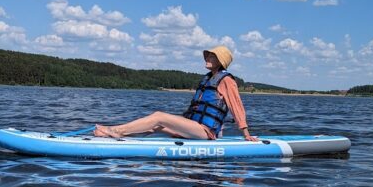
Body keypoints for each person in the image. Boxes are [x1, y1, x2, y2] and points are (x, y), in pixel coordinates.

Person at [94, 45, 259, 141]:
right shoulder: (209, 78)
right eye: (208, 55)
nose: (207, 57)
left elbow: (237, 107)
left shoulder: (227, 80)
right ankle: (115, 133)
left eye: (212, 56)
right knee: (157, 125)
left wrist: (246, 134)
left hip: (205, 131)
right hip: (194, 126)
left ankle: (116, 132)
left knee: (159, 116)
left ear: (221, 61)